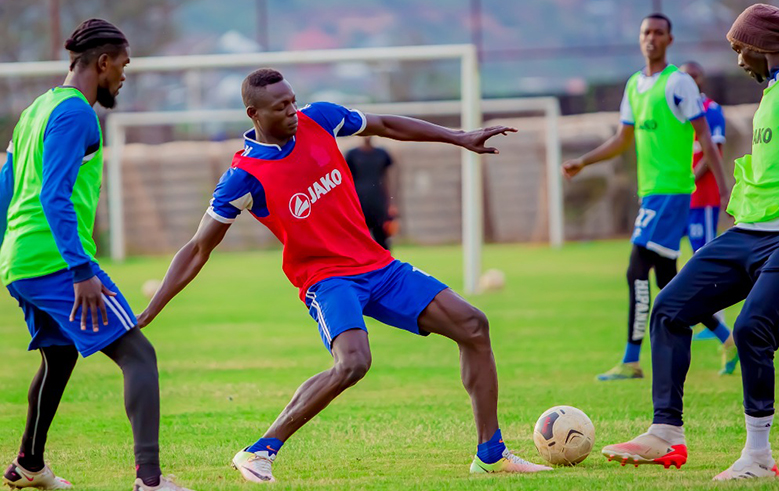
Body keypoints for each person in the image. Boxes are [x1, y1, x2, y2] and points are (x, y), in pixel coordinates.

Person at [137, 68, 552, 483]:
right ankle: (259, 450)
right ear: (254, 114)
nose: (292, 111)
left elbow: (386, 124)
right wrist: (151, 311)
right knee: (353, 363)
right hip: (327, 280)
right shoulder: (244, 177)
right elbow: (197, 248)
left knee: (473, 325)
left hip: (379, 266)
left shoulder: (321, 119)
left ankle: (491, 453)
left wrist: (458, 136)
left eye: (293, 100)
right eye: (280, 106)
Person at [601, 4, 779, 480]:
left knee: (753, 329)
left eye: (739, 49)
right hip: (750, 232)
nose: (737, 61)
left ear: (759, 46)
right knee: (670, 309)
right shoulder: (774, 89)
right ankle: (665, 434)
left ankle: (758, 458)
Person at [0, 19, 191, 491]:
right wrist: (82, 269)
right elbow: (54, 195)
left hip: (22, 262)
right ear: (103, 62)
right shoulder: (76, 115)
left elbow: (5, 186)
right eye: (123, 66)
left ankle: (28, 463)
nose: (124, 76)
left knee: (58, 357)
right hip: (58, 263)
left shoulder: (36, 110)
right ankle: (150, 481)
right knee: (138, 355)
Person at [562, 13, 729, 381]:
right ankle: (727, 339)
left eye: (658, 32)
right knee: (668, 281)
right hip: (651, 192)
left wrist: (724, 187)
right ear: (640, 39)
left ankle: (631, 360)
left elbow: (704, 136)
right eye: (645, 32)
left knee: (636, 268)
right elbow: (622, 139)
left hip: (671, 191)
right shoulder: (634, 85)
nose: (651, 38)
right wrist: (584, 162)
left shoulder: (679, 83)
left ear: (670, 39)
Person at [678, 61, 739, 374]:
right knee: (681, 262)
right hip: (678, 198)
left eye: (691, 77)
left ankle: (720, 324)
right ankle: (714, 325)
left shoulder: (710, 110)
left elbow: (713, 151)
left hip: (701, 197)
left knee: (702, 257)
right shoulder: (675, 110)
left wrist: (687, 182)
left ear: (699, 80)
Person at [345, 136, 395, 250]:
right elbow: (347, 180)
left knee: (383, 239)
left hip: (378, 203)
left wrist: (391, 202)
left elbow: (388, 178)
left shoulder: (382, 154)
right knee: (358, 240)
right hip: (360, 203)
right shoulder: (352, 155)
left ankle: (385, 265)